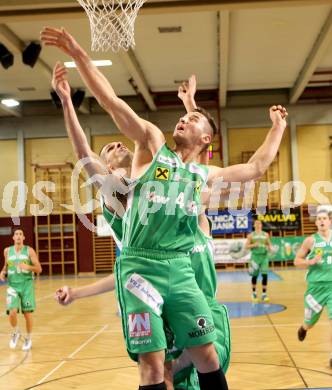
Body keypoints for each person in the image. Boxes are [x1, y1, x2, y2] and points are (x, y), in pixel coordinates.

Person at [41, 27, 287, 390]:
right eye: (184, 116)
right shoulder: (153, 146)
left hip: (180, 268)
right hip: (141, 266)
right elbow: (111, 103)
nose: (183, 119)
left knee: (208, 357)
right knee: (155, 369)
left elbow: (255, 168)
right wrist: (79, 55)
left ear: (206, 139)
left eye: (192, 120)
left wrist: (278, 127)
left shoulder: (205, 176)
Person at [52, 67, 230, 389]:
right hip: (146, 280)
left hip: (181, 277)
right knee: (159, 370)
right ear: (104, 165)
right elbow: (82, 152)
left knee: (198, 363)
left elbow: (193, 160)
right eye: (109, 149)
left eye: (121, 143)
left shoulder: (156, 175)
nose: (117, 146)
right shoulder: (115, 190)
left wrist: (191, 106)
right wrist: (67, 102)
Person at [294, 209, 332, 368]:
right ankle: (304, 328)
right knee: (311, 322)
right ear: (316, 223)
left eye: (325, 218)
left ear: (329, 221)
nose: (322, 221)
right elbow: (297, 261)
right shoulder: (310, 241)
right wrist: (309, 262)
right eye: (319, 219)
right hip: (315, 289)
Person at [0, 228, 42, 351]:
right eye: (16, 234)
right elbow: (6, 266)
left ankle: (28, 338)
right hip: (12, 285)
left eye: (20, 234)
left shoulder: (29, 251)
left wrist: (27, 266)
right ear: (13, 237)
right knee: (12, 311)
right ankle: (16, 332)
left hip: (26, 285)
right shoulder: (7, 251)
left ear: (23, 237)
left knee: (27, 313)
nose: (18, 236)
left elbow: (39, 269)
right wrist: (2, 272)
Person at [245, 220, 272, 303]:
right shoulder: (251, 235)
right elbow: (246, 246)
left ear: (261, 225)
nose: (258, 225)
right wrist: (253, 245)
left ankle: (264, 294)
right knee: (254, 276)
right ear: (254, 225)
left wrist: (270, 248)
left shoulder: (266, 234)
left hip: (264, 257)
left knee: (265, 275)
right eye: (256, 223)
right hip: (255, 257)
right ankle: (254, 293)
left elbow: (269, 245)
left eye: (259, 223)